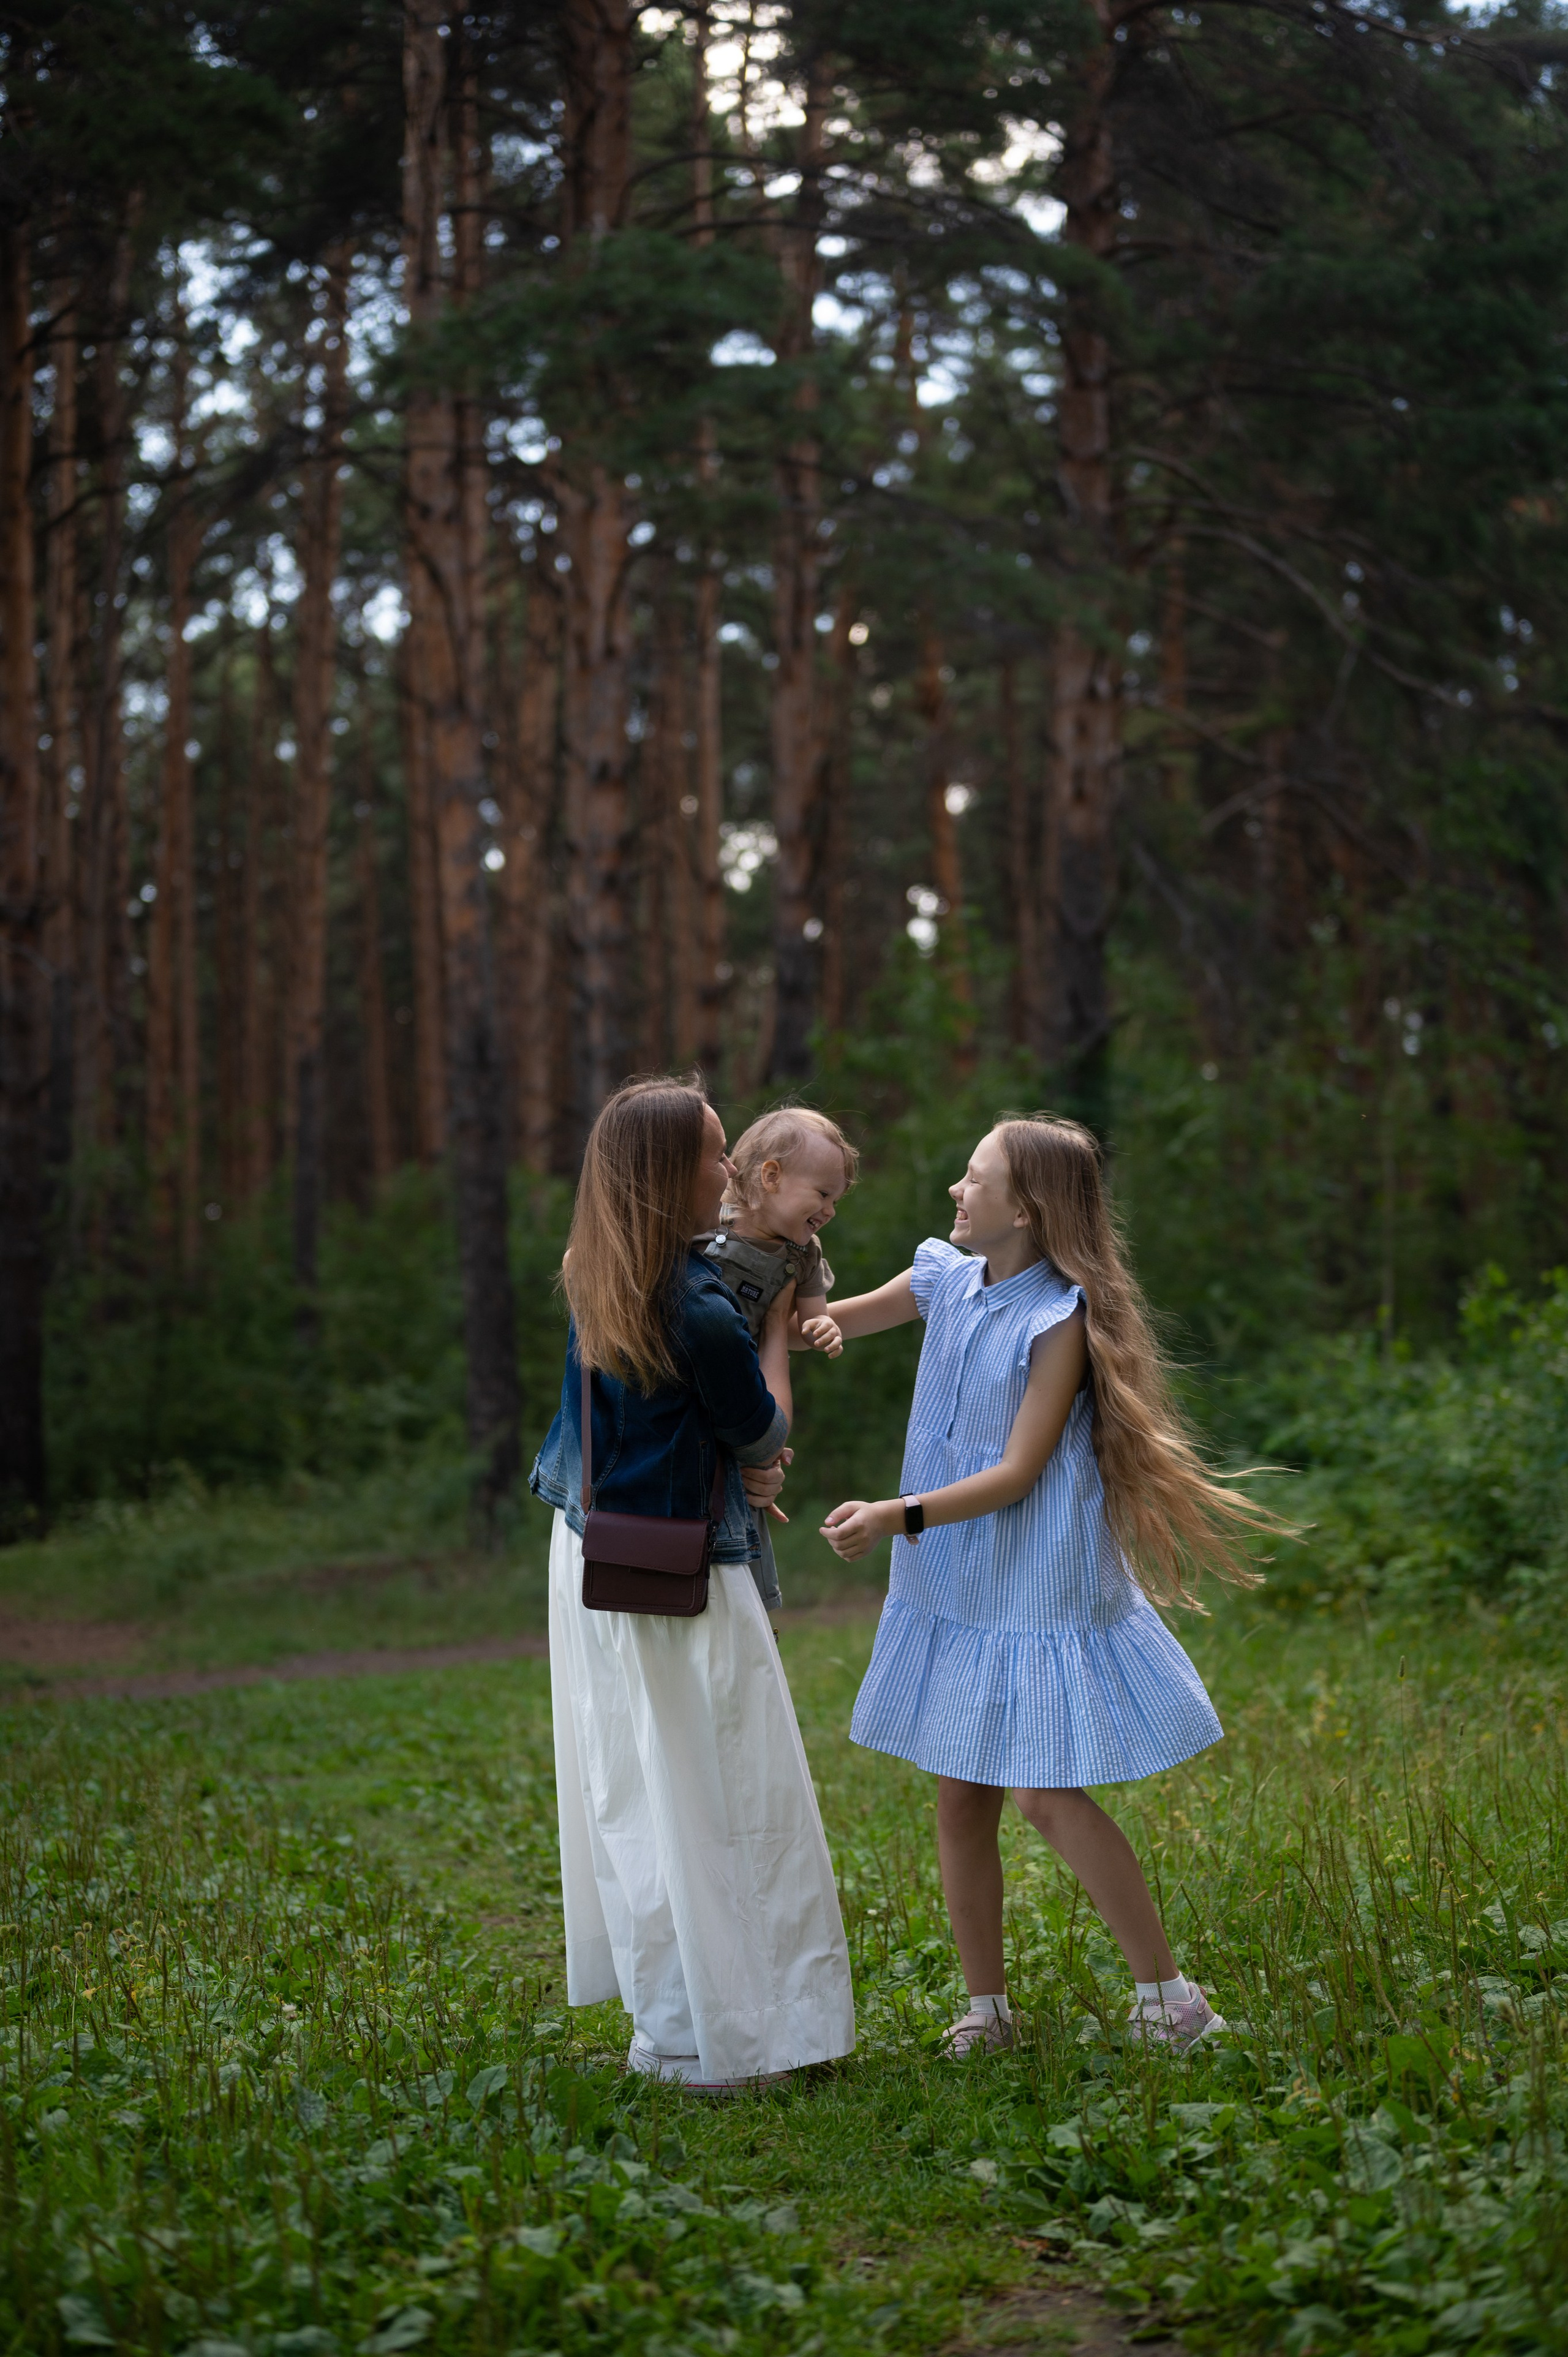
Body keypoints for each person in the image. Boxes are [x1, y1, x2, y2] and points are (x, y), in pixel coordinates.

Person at [818, 1114, 1276, 2055]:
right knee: (960, 1796)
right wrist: (782, 1267)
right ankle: (987, 2011)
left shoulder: (1057, 1319)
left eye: (974, 1177)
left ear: (1025, 1209)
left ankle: (1171, 1998)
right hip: (958, 1579)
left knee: (1042, 1793)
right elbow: (824, 1321)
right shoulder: (944, 1280)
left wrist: (894, 1514)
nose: (956, 1189)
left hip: (1031, 1573)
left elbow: (1019, 1472)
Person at [530, 1077, 856, 2092]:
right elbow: (761, 1430)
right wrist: (776, 1337)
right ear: (671, 1173)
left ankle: (674, 2030)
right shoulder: (704, 1305)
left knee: (642, 1791)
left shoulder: (599, 1267)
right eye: (715, 1152)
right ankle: (741, 2039)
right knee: (727, 1792)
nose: (728, 1167)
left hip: (593, 1547)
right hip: (684, 1573)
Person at [693, 1106, 858, 1615]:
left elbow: (807, 1320)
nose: (829, 1210)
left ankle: (753, 1602)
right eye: (823, 1194)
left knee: (755, 1469)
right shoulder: (710, 1223)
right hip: (694, 1375)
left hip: (746, 1384)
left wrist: (823, 1327)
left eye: (836, 1200)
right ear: (771, 1176)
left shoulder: (803, 1255)